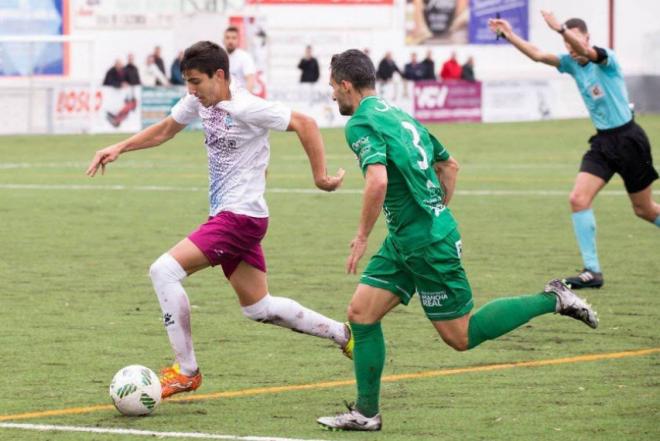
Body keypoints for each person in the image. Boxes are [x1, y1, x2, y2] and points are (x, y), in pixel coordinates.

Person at [316, 49, 598, 431]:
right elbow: (449, 165)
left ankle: (553, 298)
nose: (332, 95)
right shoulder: (399, 115)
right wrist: (435, 208)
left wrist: (362, 235)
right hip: (408, 238)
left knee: (460, 335)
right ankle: (366, 414)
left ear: (346, 85)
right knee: (361, 315)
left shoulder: (360, 124)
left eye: (333, 86)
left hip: (426, 244)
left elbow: (378, 180)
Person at [86, 41, 352, 399]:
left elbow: (305, 123)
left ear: (220, 75)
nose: (191, 90)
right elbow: (166, 129)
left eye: (197, 81)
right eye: (188, 83)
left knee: (163, 271)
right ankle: (345, 336)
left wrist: (320, 177)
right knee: (259, 307)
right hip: (235, 217)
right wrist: (119, 147)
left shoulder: (246, 105)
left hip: (239, 218)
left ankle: (186, 370)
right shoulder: (199, 100)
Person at [489, 11, 659, 289]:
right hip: (603, 143)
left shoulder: (607, 60)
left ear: (587, 39)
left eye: (575, 44)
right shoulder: (571, 63)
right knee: (578, 199)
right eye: (568, 47)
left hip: (629, 139)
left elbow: (585, 51)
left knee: (644, 210)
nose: (572, 51)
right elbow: (537, 55)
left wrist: (560, 30)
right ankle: (593, 271)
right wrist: (508, 35)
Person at [223, 26, 257, 93]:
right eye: (227, 38)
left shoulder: (244, 57)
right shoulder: (219, 57)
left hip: (240, 98)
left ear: (238, 40)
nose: (230, 41)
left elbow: (250, 80)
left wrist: (246, 99)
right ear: (223, 39)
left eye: (233, 38)